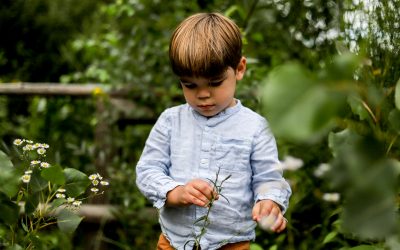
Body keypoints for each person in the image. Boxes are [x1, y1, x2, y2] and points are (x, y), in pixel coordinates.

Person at [136, 12, 292, 250]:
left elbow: (268, 178)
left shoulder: (255, 127)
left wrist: (269, 201)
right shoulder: (170, 121)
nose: (203, 94)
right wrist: (175, 192)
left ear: (239, 69)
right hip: (174, 242)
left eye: (215, 82)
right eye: (190, 85)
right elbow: (147, 170)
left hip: (231, 244)